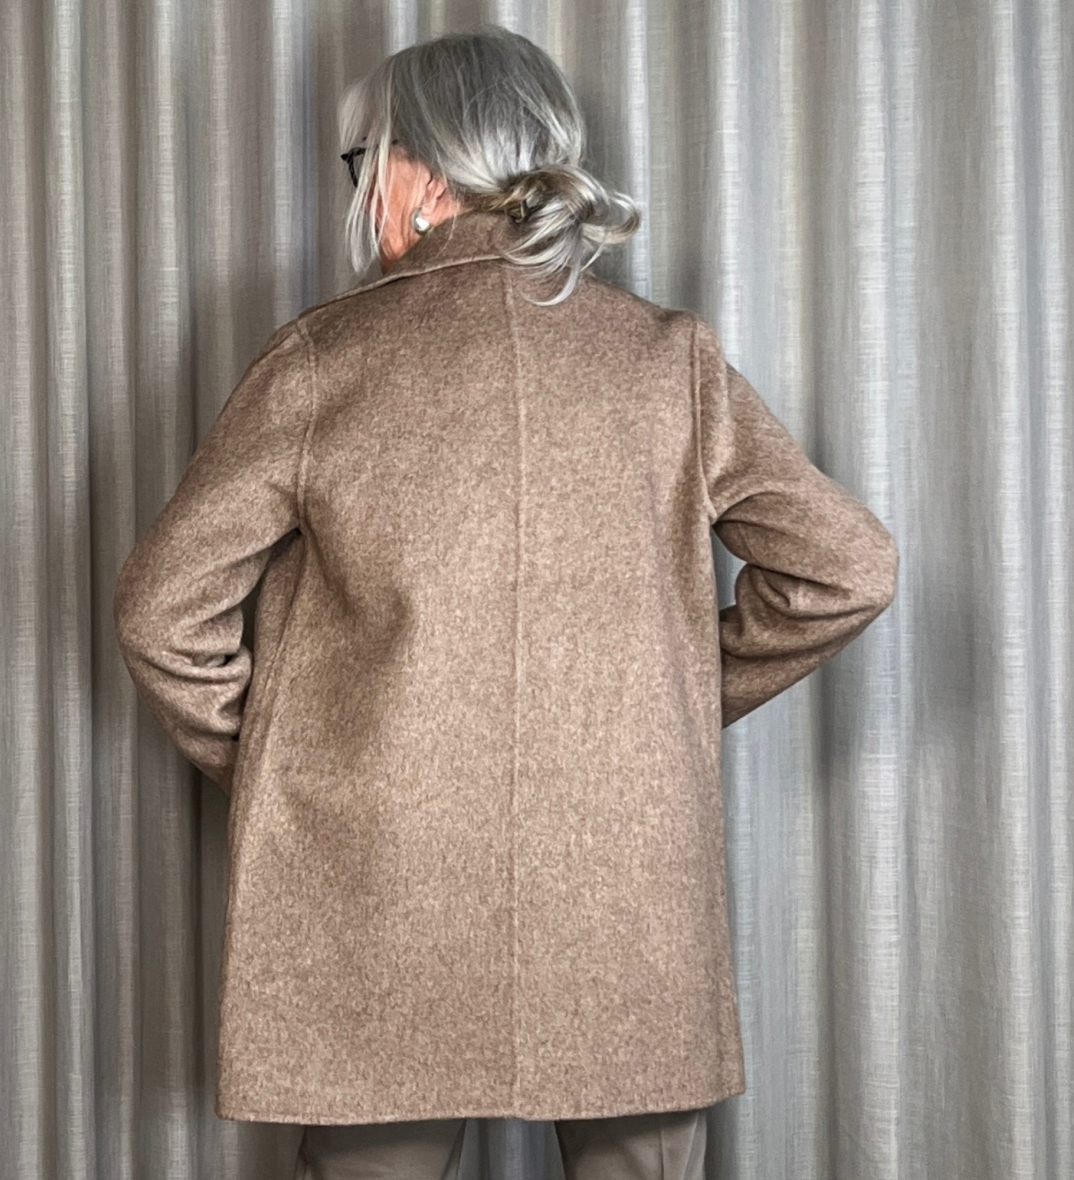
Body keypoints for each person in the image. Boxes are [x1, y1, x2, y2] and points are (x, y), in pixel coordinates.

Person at [112, 24, 899, 1180]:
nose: (359, 192)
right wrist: (661, 709)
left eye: (363, 161)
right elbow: (846, 568)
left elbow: (160, 613)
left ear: (423, 172)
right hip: (622, 881)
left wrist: (301, 764)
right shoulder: (664, 359)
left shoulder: (325, 358)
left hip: (382, 883)